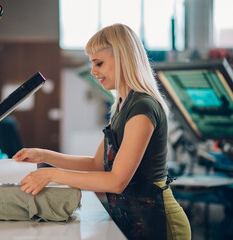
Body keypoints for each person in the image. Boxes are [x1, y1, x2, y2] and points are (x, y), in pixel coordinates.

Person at [13, 23, 191, 240]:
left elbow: (117, 181)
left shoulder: (143, 107)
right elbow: (97, 164)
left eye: (99, 63)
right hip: (136, 220)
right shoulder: (122, 106)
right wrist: (44, 156)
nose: (93, 71)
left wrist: (50, 175)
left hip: (161, 223)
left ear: (124, 59)